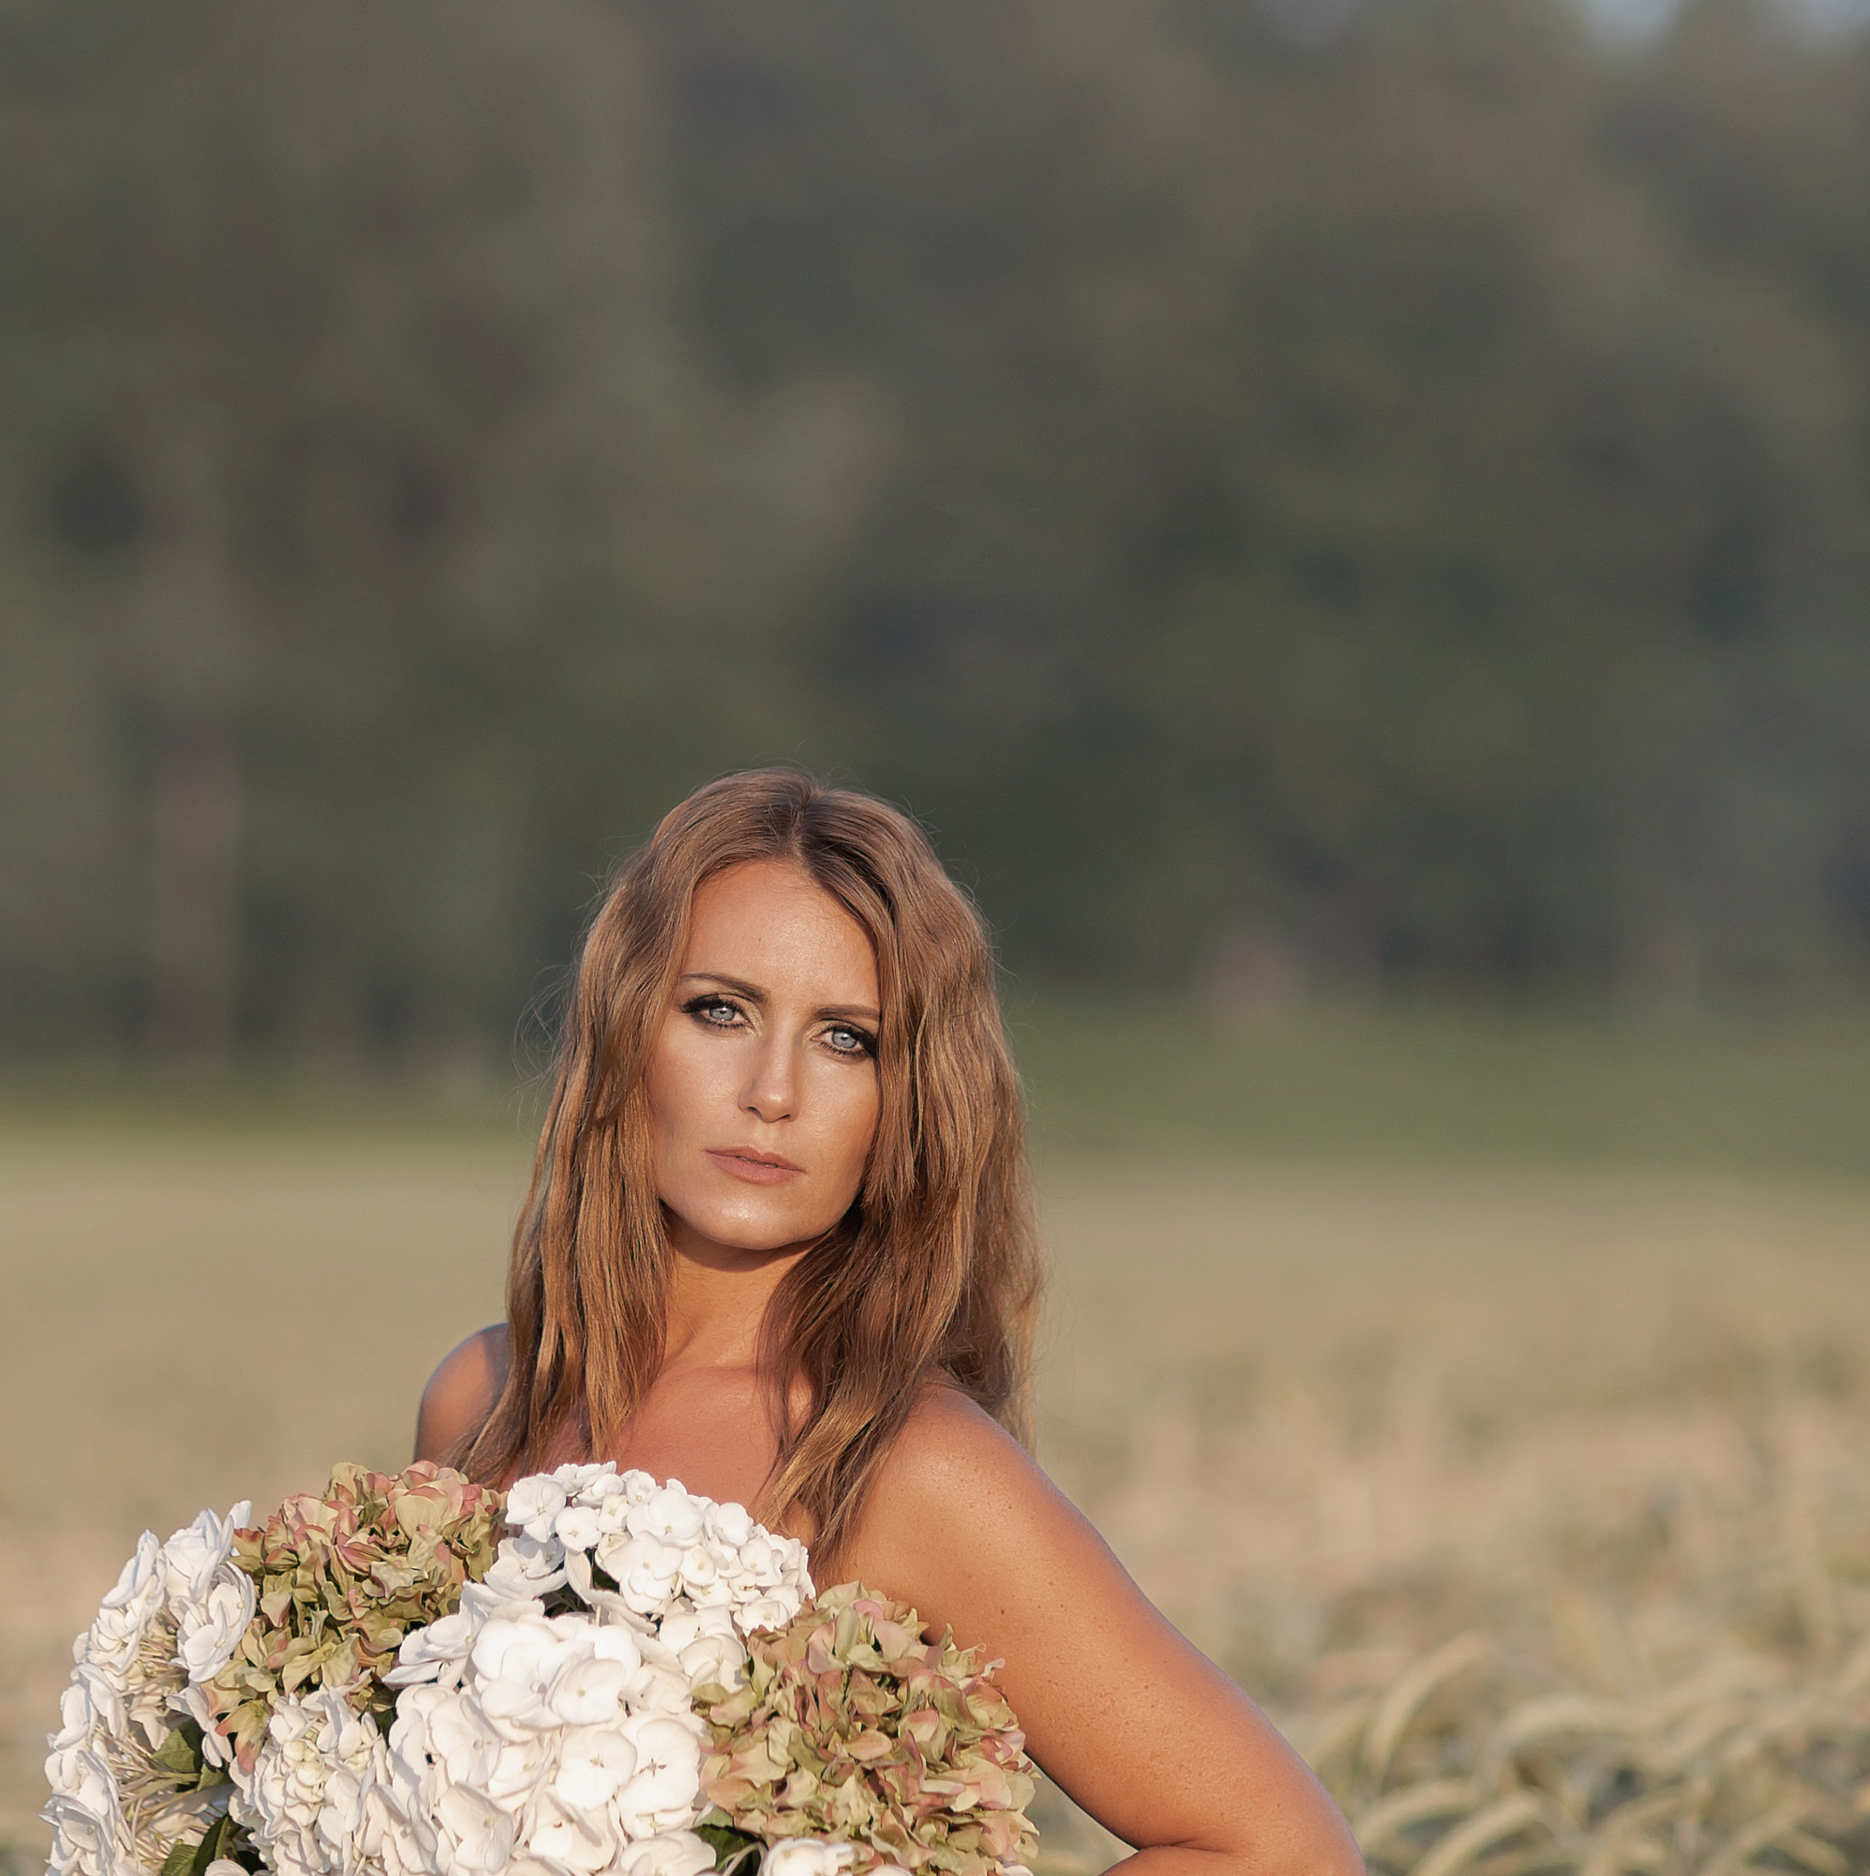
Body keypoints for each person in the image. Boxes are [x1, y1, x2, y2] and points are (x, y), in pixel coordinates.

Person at [414, 769, 1360, 1876]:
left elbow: (1278, 1850)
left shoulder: (911, 1463)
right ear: (628, 1034)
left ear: (905, 1101)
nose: (772, 1090)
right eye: (720, 1009)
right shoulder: (482, 1398)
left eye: (845, 1039)